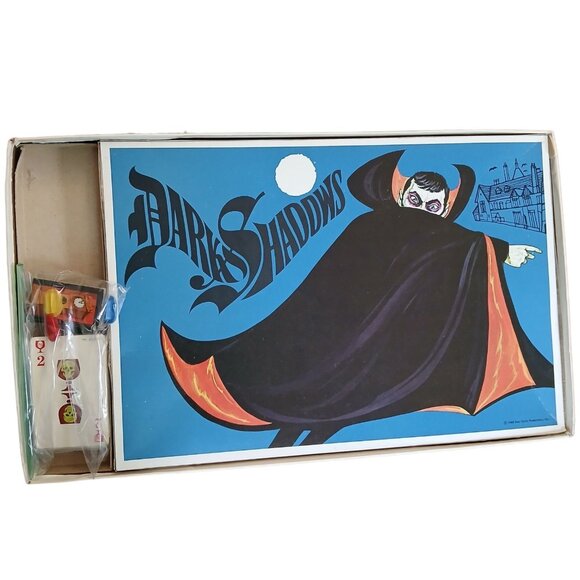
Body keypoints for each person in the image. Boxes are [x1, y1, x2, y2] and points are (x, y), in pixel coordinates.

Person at [161, 151, 554, 447]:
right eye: (415, 201)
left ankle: (297, 442)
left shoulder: (440, 244)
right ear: (401, 196)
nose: (421, 213)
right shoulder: (372, 222)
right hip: (334, 342)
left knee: (342, 407)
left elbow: (445, 246)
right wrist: (500, 248)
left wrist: (493, 249)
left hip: (383, 352)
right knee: (312, 397)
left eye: (433, 208)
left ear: (445, 211)